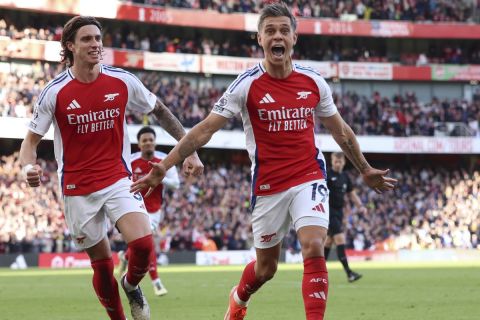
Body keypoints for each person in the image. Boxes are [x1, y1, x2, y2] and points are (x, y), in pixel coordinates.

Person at [131, 2, 396, 320]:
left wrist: (365, 169)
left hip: (309, 175)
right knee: (266, 268)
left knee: (313, 246)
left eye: (284, 30)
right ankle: (239, 297)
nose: (277, 36)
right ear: (260, 39)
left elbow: (341, 131)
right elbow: (205, 130)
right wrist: (166, 164)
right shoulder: (246, 84)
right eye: (270, 31)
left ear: (294, 38)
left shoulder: (314, 82)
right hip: (268, 185)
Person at [19, 16, 203, 320]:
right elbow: (30, 143)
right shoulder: (55, 92)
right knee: (102, 264)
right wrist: (29, 168)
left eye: (98, 38)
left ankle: (131, 285)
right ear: (69, 46)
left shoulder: (121, 80)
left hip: (118, 179)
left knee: (143, 243)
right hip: (77, 190)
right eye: (87, 39)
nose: (95, 45)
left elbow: (159, 109)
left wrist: (189, 149)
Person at [118, 126, 180, 297]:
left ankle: (125, 256)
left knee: (142, 243)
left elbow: (176, 184)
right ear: (139, 144)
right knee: (147, 242)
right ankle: (156, 282)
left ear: (154, 142)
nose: (148, 143)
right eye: (144, 140)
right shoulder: (130, 160)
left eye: (151, 140)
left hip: (154, 210)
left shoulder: (164, 160)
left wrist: (159, 177)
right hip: (134, 208)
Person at [325, 152, 366, 282]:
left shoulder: (345, 177)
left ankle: (316, 272)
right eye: (336, 161)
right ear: (332, 162)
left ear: (344, 162)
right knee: (340, 239)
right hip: (329, 211)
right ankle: (349, 273)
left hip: (338, 212)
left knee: (328, 242)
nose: (338, 164)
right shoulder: (327, 175)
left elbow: (352, 194)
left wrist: (360, 206)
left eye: (340, 161)